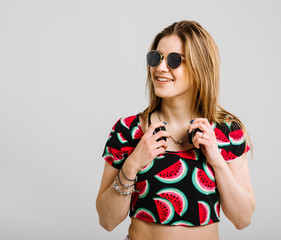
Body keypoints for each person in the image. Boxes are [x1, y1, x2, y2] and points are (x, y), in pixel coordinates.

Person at [96, 20, 255, 240]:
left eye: (174, 60)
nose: (160, 67)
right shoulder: (128, 131)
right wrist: (133, 162)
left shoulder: (228, 131)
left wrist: (217, 160)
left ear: (200, 66)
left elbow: (243, 219)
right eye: (156, 57)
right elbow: (107, 220)